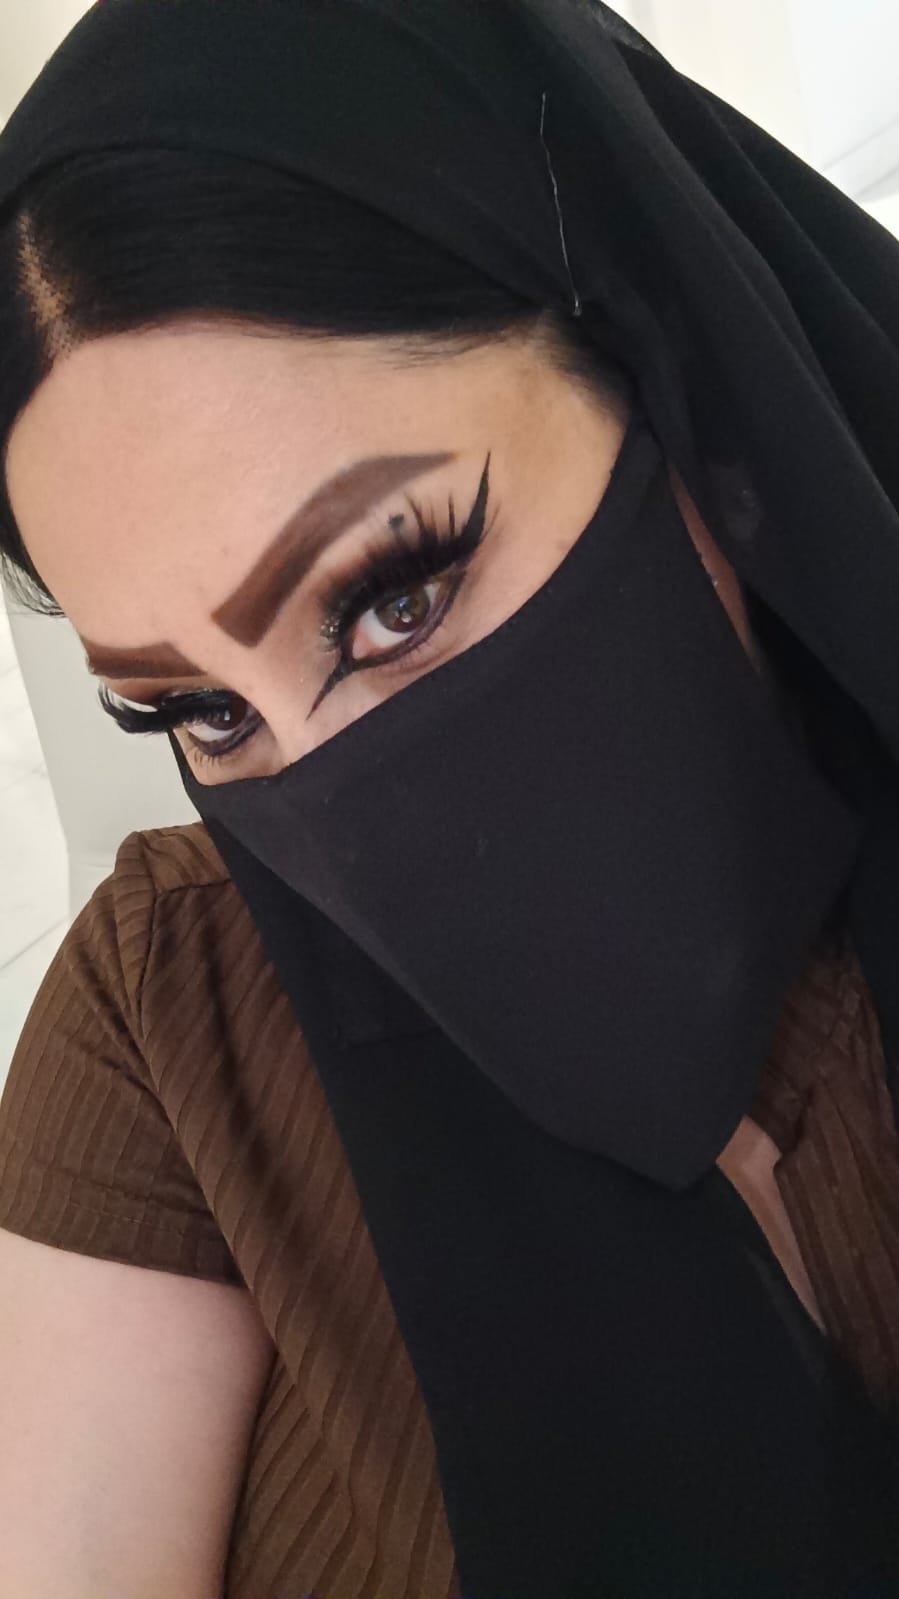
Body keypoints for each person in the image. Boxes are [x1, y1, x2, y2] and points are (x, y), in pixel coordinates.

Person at [0, 2, 898, 1595]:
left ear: (673, 372)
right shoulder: (162, 1026)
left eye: (393, 596)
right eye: (200, 710)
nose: (337, 817)